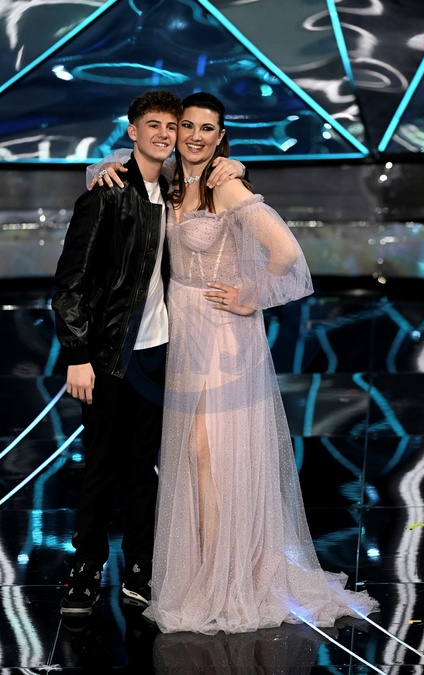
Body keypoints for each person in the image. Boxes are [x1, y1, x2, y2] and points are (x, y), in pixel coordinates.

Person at [89, 92, 379, 635]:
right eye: (187, 126)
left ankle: (228, 576)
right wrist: (105, 166)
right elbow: (120, 168)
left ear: (221, 136)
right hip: (183, 331)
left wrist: (251, 296)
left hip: (223, 333)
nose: (195, 136)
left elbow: (287, 253)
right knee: (193, 457)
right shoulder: (172, 180)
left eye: (208, 129)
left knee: (212, 452)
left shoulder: (226, 185)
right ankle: (210, 564)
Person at [52, 89, 244, 617]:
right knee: (100, 468)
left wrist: (239, 166)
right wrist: (77, 354)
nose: (165, 134)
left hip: (160, 352)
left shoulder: (177, 189)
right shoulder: (108, 192)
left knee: (143, 468)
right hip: (109, 354)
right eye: (153, 125)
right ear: (132, 131)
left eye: (171, 126)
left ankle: (140, 568)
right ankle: (86, 570)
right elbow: (69, 283)